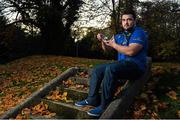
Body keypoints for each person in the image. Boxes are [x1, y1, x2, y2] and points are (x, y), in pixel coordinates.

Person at [75, 9, 148, 117]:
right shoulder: (119, 35)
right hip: (122, 65)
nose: (126, 22)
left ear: (135, 21)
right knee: (97, 69)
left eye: (129, 19)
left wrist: (114, 45)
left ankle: (104, 106)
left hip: (136, 67)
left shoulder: (139, 32)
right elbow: (107, 49)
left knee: (112, 68)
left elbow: (131, 51)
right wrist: (103, 41)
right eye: (123, 20)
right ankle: (92, 99)